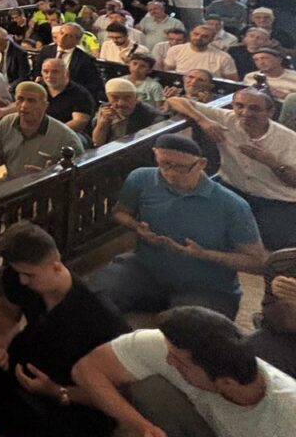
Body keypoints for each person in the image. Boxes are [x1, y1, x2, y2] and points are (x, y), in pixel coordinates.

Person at [0, 222, 128, 437]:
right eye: (18, 272)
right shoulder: (19, 277)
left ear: (56, 267)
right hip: (25, 362)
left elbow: (118, 391)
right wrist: (2, 340)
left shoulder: (98, 313)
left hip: (67, 392)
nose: (22, 280)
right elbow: (9, 310)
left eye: (29, 275)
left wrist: (56, 391)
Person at [88, 134, 266, 319]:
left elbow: (256, 262)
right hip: (146, 268)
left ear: (201, 164)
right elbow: (120, 212)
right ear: (155, 155)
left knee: (190, 331)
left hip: (207, 286)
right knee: (94, 296)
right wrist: (136, 226)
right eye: (165, 164)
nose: (171, 173)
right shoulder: (141, 178)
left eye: (181, 167)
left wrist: (204, 254)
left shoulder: (232, 205)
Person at [73, 307, 296, 437]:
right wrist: (141, 426)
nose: (169, 361)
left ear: (225, 383)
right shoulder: (174, 348)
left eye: (179, 362)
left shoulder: (288, 416)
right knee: (149, 388)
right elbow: (86, 370)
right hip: (208, 425)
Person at [166, 88, 296, 249]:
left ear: (270, 112)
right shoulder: (226, 118)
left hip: (274, 198)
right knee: (187, 224)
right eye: (239, 106)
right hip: (233, 188)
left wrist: (272, 163)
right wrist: (203, 120)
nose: (245, 113)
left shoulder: (289, 140)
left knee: (275, 246)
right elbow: (175, 101)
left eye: (254, 108)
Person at [0, 82, 86, 196]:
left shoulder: (65, 137)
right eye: (20, 99)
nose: (24, 105)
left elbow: (79, 179)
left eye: (31, 101)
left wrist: (50, 174)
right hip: (11, 184)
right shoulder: (7, 122)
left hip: (43, 190)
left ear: (45, 105)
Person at [248, 248, 296, 377]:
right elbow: (275, 322)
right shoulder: (282, 263)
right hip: (287, 335)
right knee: (249, 352)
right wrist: (289, 306)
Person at [32, 22, 105, 101]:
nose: (62, 38)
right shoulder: (46, 50)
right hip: (45, 93)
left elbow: (94, 84)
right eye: (61, 33)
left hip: (71, 97)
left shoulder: (85, 59)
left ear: (77, 40)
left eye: (68, 36)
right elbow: (36, 70)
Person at [92, 77, 163, 146]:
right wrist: (102, 125)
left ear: (136, 97)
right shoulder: (105, 110)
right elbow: (97, 143)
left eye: (127, 97)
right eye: (115, 98)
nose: (121, 103)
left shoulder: (152, 115)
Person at [163, 25, 239, 80]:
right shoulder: (175, 50)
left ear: (212, 39)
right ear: (191, 34)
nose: (198, 38)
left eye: (204, 36)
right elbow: (168, 74)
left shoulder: (224, 57)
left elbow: (232, 82)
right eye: (196, 34)